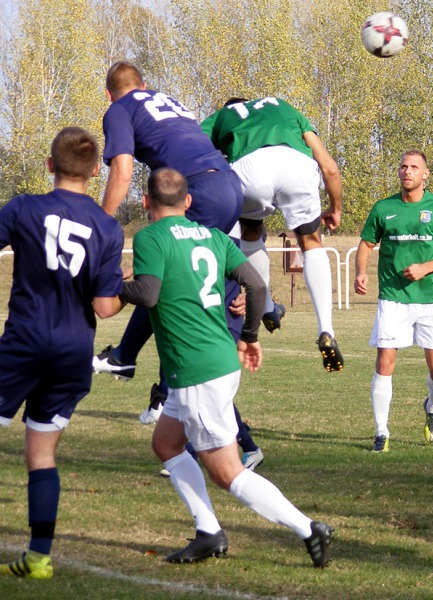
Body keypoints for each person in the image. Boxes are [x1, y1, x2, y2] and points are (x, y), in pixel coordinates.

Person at [122, 168, 333, 566]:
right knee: (165, 444)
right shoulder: (215, 236)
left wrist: (110, 284)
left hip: (196, 369)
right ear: (188, 203)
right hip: (217, 357)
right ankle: (208, 531)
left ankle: (308, 528)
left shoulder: (150, 236)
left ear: (147, 202)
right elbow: (255, 285)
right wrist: (249, 335)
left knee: (226, 472)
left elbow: (147, 294)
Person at [0, 128, 125, 579]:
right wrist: (127, 289)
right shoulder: (108, 228)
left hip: (24, 342)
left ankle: (36, 559)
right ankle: (38, 558)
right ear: (96, 172)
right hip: (73, 350)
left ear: (50, 165)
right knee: (42, 453)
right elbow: (106, 308)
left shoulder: (23, 208)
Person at [92, 61, 244, 413]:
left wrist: (101, 224)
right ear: (144, 84)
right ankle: (161, 392)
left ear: (107, 93)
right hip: (229, 184)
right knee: (181, 281)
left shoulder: (119, 108)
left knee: (163, 282)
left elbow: (123, 170)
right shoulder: (168, 100)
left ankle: (129, 360)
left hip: (198, 190)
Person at [201, 96, 344, 372]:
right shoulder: (281, 106)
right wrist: (335, 208)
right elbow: (330, 168)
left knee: (251, 230)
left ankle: (266, 305)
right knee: (311, 243)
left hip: (249, 168)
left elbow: (196, 150)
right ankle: (326, 329)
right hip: (295, 164)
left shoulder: (222, 116)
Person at [354, 150, 433, 452]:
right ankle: (381, 433)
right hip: (393, 298)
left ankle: (432, 407)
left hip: (430, 300)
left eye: (414, 167)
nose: (407, 171)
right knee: (385, 361)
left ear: (425, 174)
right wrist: (361, 271)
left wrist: (425, 268)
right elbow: (366, 243)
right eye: (403, 166)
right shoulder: (384, 208)